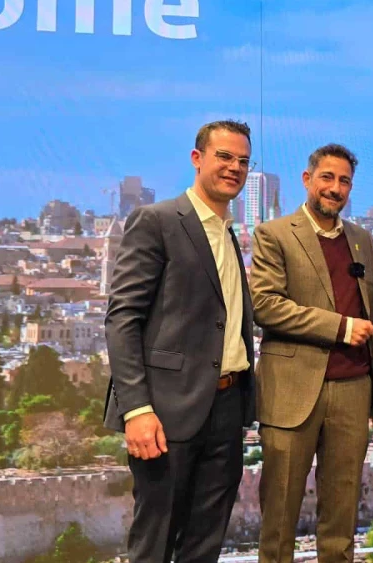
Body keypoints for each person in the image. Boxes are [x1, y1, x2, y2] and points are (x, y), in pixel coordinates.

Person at [103, 120, 257, 563]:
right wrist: (137, 409)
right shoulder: (157, 220)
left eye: (243, 161)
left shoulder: (228, 234)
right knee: (155, 540)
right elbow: (123, 318)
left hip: (227, 409)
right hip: (166, 412)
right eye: (224, 157)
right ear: (197, 158)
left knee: (204, 543)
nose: (234, 168)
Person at [250, 143, 373, 563]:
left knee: (341, 520)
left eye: (344, 181)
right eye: (327, 177)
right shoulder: (274, 234)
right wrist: (342, 328)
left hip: (352, 390)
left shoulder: (362, 240)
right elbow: (266, 306)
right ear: (307, 180)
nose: (336, 188)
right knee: (279, 518)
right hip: (292, 393)